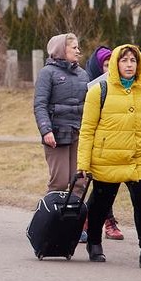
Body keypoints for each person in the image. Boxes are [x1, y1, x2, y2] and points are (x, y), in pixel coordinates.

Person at [77, 45, 141, 269]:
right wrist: (83, 163)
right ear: (116, 63)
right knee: (101, 202)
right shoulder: (99, 90)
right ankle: (95, 242)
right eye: (124, 60)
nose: (129, 64)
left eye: (133, 61)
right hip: (109, 155)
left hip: (140, 155)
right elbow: (87, 129)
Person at [33, 33, 89, 237]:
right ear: (60, 50)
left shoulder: (83, 75)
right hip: (56, 135)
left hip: (79, 134)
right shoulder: (47, 73)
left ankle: (74, 225)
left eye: (77, 47)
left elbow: (89, 105)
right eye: (73, 47)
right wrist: (46, 130)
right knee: (60, 181)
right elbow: (39, 104)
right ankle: (49, 222)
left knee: (79, 180)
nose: (77, 51)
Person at [83, 45, 125, 241]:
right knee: (85, 184)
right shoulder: (88, 85)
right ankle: (85, 221)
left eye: (111, 64)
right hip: (87, 139)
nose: (109, 69)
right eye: (106, 65)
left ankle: (107, 221)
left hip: (111, 142)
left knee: (106, 184)